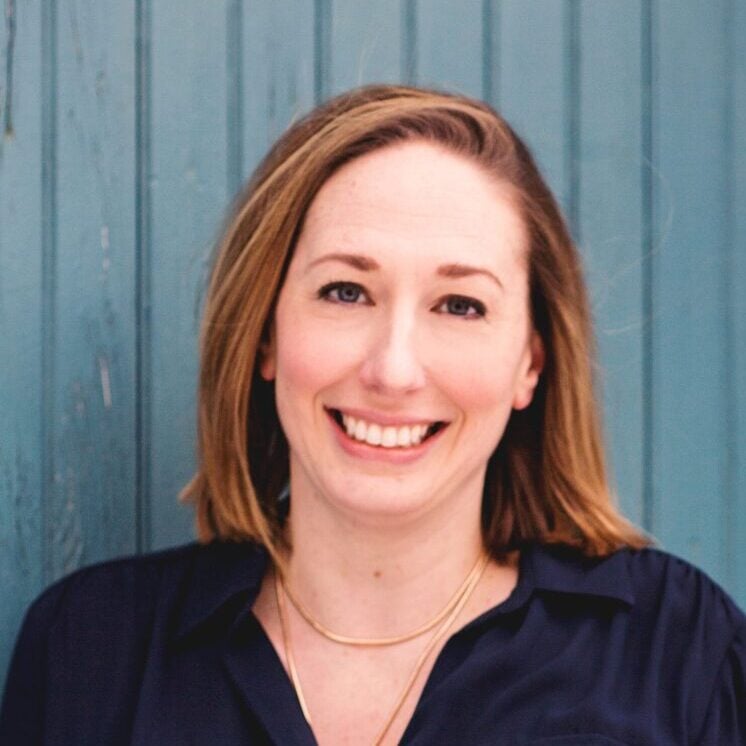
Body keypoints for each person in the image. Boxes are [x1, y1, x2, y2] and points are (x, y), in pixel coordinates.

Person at [1, 84, 744, 745]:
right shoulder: (89, 649)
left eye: (460, 305)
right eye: (345, 292)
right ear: (265, 333)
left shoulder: (674, 652)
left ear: (531, 363)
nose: (393, 369)